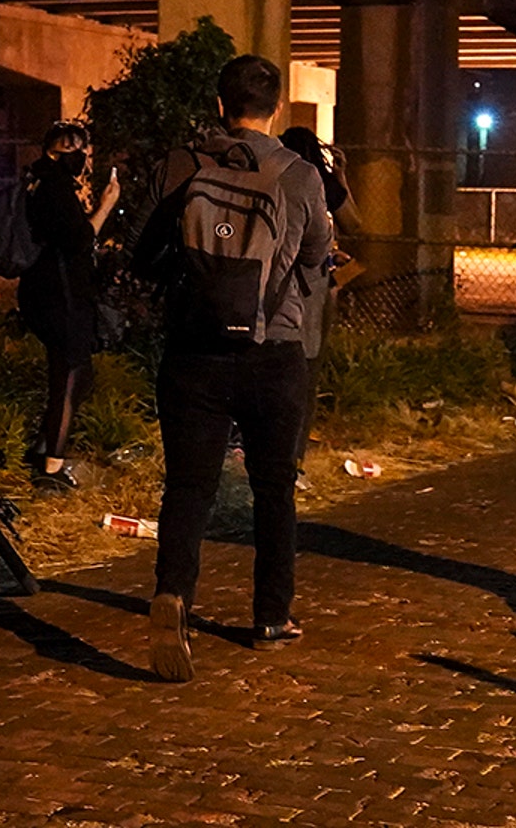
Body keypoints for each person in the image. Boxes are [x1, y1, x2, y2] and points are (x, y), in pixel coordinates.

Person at [135, 55, 331, 682]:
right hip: (274, 353)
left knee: (188, 488)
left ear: (220, 103)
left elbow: (145, 256)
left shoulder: (185, 167)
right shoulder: (299, 175)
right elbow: (316, 255)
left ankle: (174, 595)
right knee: (274, 490)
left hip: (194, 353)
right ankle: (272, 616)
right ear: (275, 107)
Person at [18, 120, 120, 490]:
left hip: (45, 294)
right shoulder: (54, 187)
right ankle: (51, 468)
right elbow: (78, 239)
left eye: (81, 151)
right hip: (60, 296)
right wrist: (107, 206)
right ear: (52, 151)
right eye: (70, 150)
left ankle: (45, 449)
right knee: (71, 373)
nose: (78, 158)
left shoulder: (38, 181)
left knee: (73, 373)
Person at [278, 124, 358, 478]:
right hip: (314, 289)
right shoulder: (322, 186)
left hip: (271, 285)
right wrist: (341, 176)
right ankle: (293, 459)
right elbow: (355, 223)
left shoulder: (273, 176)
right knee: (307, 373)